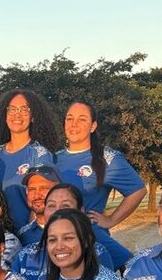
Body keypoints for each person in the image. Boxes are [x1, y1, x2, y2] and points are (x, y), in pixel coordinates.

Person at [54, 101, 145, 268]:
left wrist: (110, 220)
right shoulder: (54, 158)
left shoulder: (107, 158)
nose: (74, 124)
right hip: (58, 242)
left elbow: (138, 190)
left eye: (82, 119)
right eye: (69, 118)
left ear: (93, 126)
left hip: (92, 240)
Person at [0, 89, 61, 227]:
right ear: (5, 116)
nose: (17, 114)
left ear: (33, 117)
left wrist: (28, 234)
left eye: (24, 109)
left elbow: (44, 200)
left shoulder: (39, 154)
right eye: (12, 109)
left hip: (27, 236)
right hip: (0, 237)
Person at [12, 182, 115, 280]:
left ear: (81, 211)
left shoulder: (98, 252)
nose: (57, 211)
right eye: (51, 205)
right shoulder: (25, 255)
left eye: (65, 205)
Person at [15, 165, 59, 248]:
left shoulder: (77, 228)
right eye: (32, 189)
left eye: (44, 188)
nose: (37, 195)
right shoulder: (22, 236)